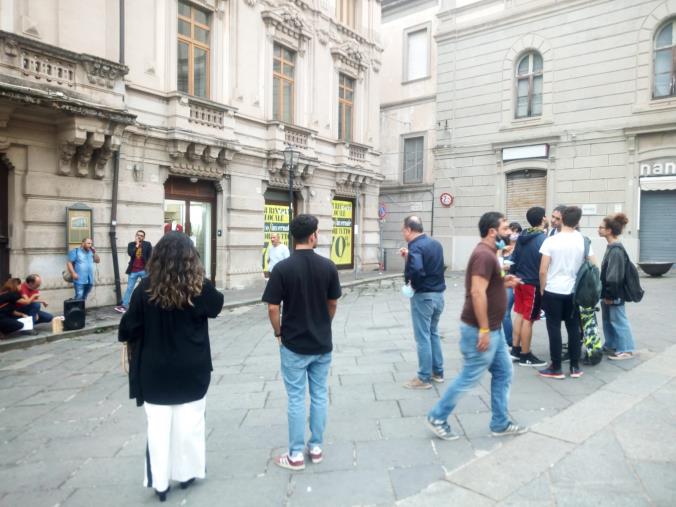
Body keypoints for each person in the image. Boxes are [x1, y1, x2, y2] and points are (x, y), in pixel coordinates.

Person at [118, 232, 224, 502]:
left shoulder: (144, 288)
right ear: (192, 258)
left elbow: (128, 327)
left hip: (154, 370)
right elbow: (217, 306)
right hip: (192, 368)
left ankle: (161, 483)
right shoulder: (199, 286)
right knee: (190, 425)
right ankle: (187, 473)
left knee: (158, 428)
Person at [426, 212, 526, 440]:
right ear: (493, 232)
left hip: (495, 328)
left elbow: (487, 284)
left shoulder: (491, 253)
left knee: (503, 371)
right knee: (470, 376)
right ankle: (437, 416)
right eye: (505, 228)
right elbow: (477, 291)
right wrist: (483, 330)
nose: (509, 233)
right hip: (481, 329)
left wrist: (504, 282)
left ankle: (500, 423)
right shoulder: (484, 255)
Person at [262, 214, 341, 471]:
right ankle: (315, 448)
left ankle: (295, 454)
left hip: (293, 343)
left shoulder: (282, 269)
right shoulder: (328, 266)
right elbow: (332, 303)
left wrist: (278, 333)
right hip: (321, 343)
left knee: (296, 398)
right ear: (312, 236)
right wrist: (324, 323)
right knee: (319, 395)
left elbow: (273, 307)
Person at [538, 206, 595, 379]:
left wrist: (542, 288)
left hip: (553, 289)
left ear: (561, 219)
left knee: (554, 327)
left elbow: (542, 270)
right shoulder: (583, 240)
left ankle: (555, 367)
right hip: (574, 291)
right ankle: (575, 367)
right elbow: (594, 265)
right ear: (578, 222)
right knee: (573, 328)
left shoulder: (551, 241)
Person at [399, 216, 446, 390]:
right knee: (433, 333)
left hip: (424, 296)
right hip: (439, 295)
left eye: (403, 230)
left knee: (422, 337)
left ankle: (423, 377)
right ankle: (438, 372)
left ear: (409, 229)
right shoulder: (435, 244)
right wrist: (409, 258)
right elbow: (433, 265)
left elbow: (418, 269)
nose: (403, 233)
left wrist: (413, 284)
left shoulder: (415, 245)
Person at [510, 208, 548, 367]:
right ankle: (526, 355)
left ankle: (516, 349)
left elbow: (514, 259)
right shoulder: (543, 239)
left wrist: (514, 275)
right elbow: (544, 265)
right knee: (529, 319)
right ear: (543, 219)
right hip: (533, 283)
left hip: (520, 281)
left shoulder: (522, 235)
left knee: (519, 314)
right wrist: (543, 287)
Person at [598, 213, 636, 360]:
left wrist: (609, 295)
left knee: (618, 320)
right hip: (609, 292)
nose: (599, 229)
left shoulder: (616, 250)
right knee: (608, 320)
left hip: (614, 293)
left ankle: (626, 349)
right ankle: (611, 345)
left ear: (609, 231)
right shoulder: (612, 247)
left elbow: (614, 277)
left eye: (601, 227)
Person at [115, 230, 153, 313]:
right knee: (129, 288)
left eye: (141, 235)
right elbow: (131, 254)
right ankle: (124, 306)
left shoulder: (147, 244)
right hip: (133, 271)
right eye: (138, 235)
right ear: (135, 236)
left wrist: (150, 267)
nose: (139, 236)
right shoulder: (131, 245)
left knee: (147, 288)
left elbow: (151, 256)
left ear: (144, 237)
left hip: (144, 270)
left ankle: (148, 306)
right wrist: (137, 245)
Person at [501, 222, 522, 347]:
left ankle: (510, 341)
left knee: (506, 313)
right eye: (512, 230)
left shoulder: (519, 248)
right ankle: (508, 339)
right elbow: (497, 263)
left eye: (516, 231)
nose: (513, 234)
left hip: (511, 282)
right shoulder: (503, 247)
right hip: (501, 282)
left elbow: (515, 265)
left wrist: (503, 266)